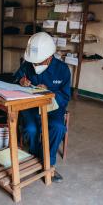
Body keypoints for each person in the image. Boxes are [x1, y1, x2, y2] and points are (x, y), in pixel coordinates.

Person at [14, 32, 71, 183]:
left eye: (39, 63)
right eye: (34, 63)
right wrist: (21, 81)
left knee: (58, 127)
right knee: (31, 129)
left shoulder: (63, 69)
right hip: (31, 106)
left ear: (49, 57)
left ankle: (48, 163)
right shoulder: (27, 64)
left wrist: (50, 93)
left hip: (53, 107)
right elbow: (15, 77)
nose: (35, 66)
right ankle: (35, 156)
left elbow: (66, 97)